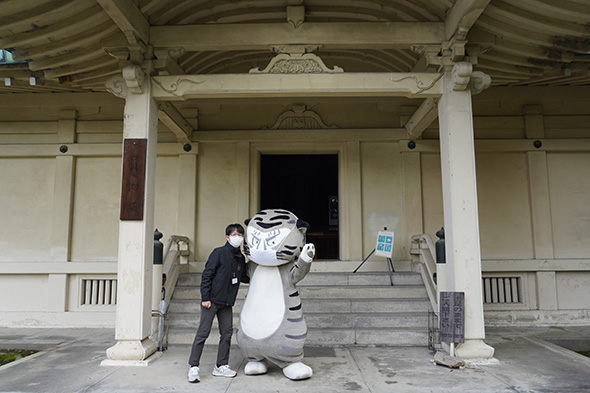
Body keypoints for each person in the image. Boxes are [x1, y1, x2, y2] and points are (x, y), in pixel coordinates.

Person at [187, 223, 249, 383]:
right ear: (227, 237)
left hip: (227, 303)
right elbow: (207, 275)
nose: (237, 237)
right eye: (234, 234)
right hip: (212, 301)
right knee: (203, 333)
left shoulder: (240, 258)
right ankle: (193, 367)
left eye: (240, 234)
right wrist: (205, 298)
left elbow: (243, 277)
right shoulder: (219, 253)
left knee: (227, 334)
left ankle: (221, 366)